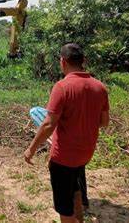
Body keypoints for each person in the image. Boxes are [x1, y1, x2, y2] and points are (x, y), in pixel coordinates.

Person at [24, 43, 109, 223]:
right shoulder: (100, 87)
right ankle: (79, 219)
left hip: (63, 158)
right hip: (85, 154)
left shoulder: (62, 87)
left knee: (64, 207)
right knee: (75, 189)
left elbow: (48, 124)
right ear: (83, 61)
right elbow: (104, 122)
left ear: (62, 61)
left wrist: (30, 149)